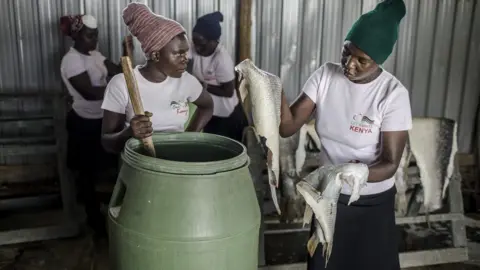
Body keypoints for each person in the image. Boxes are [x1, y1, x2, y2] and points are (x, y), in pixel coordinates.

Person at [279, 0, 410, 269]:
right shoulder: (326, 76)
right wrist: (272, 89)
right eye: (346, 52)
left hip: (372, 202)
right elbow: (287, 126)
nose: (349, 65)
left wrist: (352, 172)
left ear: (380, 60)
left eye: (362, 60)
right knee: (324, 262)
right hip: (328, 198)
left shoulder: (393, 95)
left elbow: (389, 164)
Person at [101, 3, 213, 154]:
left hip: (176, 162)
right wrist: (127, 133)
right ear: (156, 55)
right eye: (178, 53)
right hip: (139, 165)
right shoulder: (122, 84)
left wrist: (188, 139)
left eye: (186, 52)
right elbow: (107, 143)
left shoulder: (186, 81)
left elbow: (207, 106)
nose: (186, 58)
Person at [59, 14, 132, 236]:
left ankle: (108, 212)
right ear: (77, 36)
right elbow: (89, 92)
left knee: (107, 168)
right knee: (87, 172)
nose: (95, 40)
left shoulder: (96, 56)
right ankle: (93, 218)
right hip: (83, 123)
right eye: (90, 36)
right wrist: (116, 91)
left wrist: (125, 54)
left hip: (101, 121)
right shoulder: (71, 60)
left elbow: (119, 73)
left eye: (96, 35)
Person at [187, 11, 248, 142]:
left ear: (214, 41)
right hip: (210, 113)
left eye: (201, 44)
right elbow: (183, 63)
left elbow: (228, 91)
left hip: (227, 116)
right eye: (194, 41)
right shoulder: (195, 47)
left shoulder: (221, 59)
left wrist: (200, 86)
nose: (196, 48)